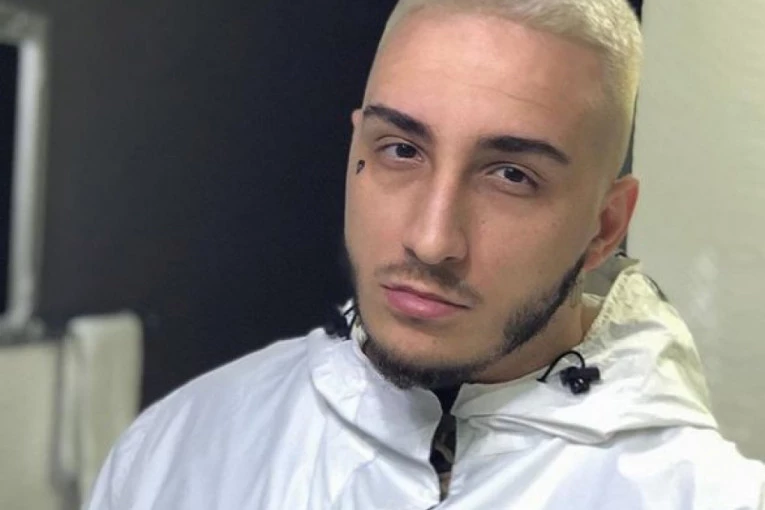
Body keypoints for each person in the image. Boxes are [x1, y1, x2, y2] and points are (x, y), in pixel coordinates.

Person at [86, 0, 765, 508]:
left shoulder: (703, 495)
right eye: (401, 150)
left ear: (605, 226)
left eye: (511, 175)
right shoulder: (180, 450)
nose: (432, 240)